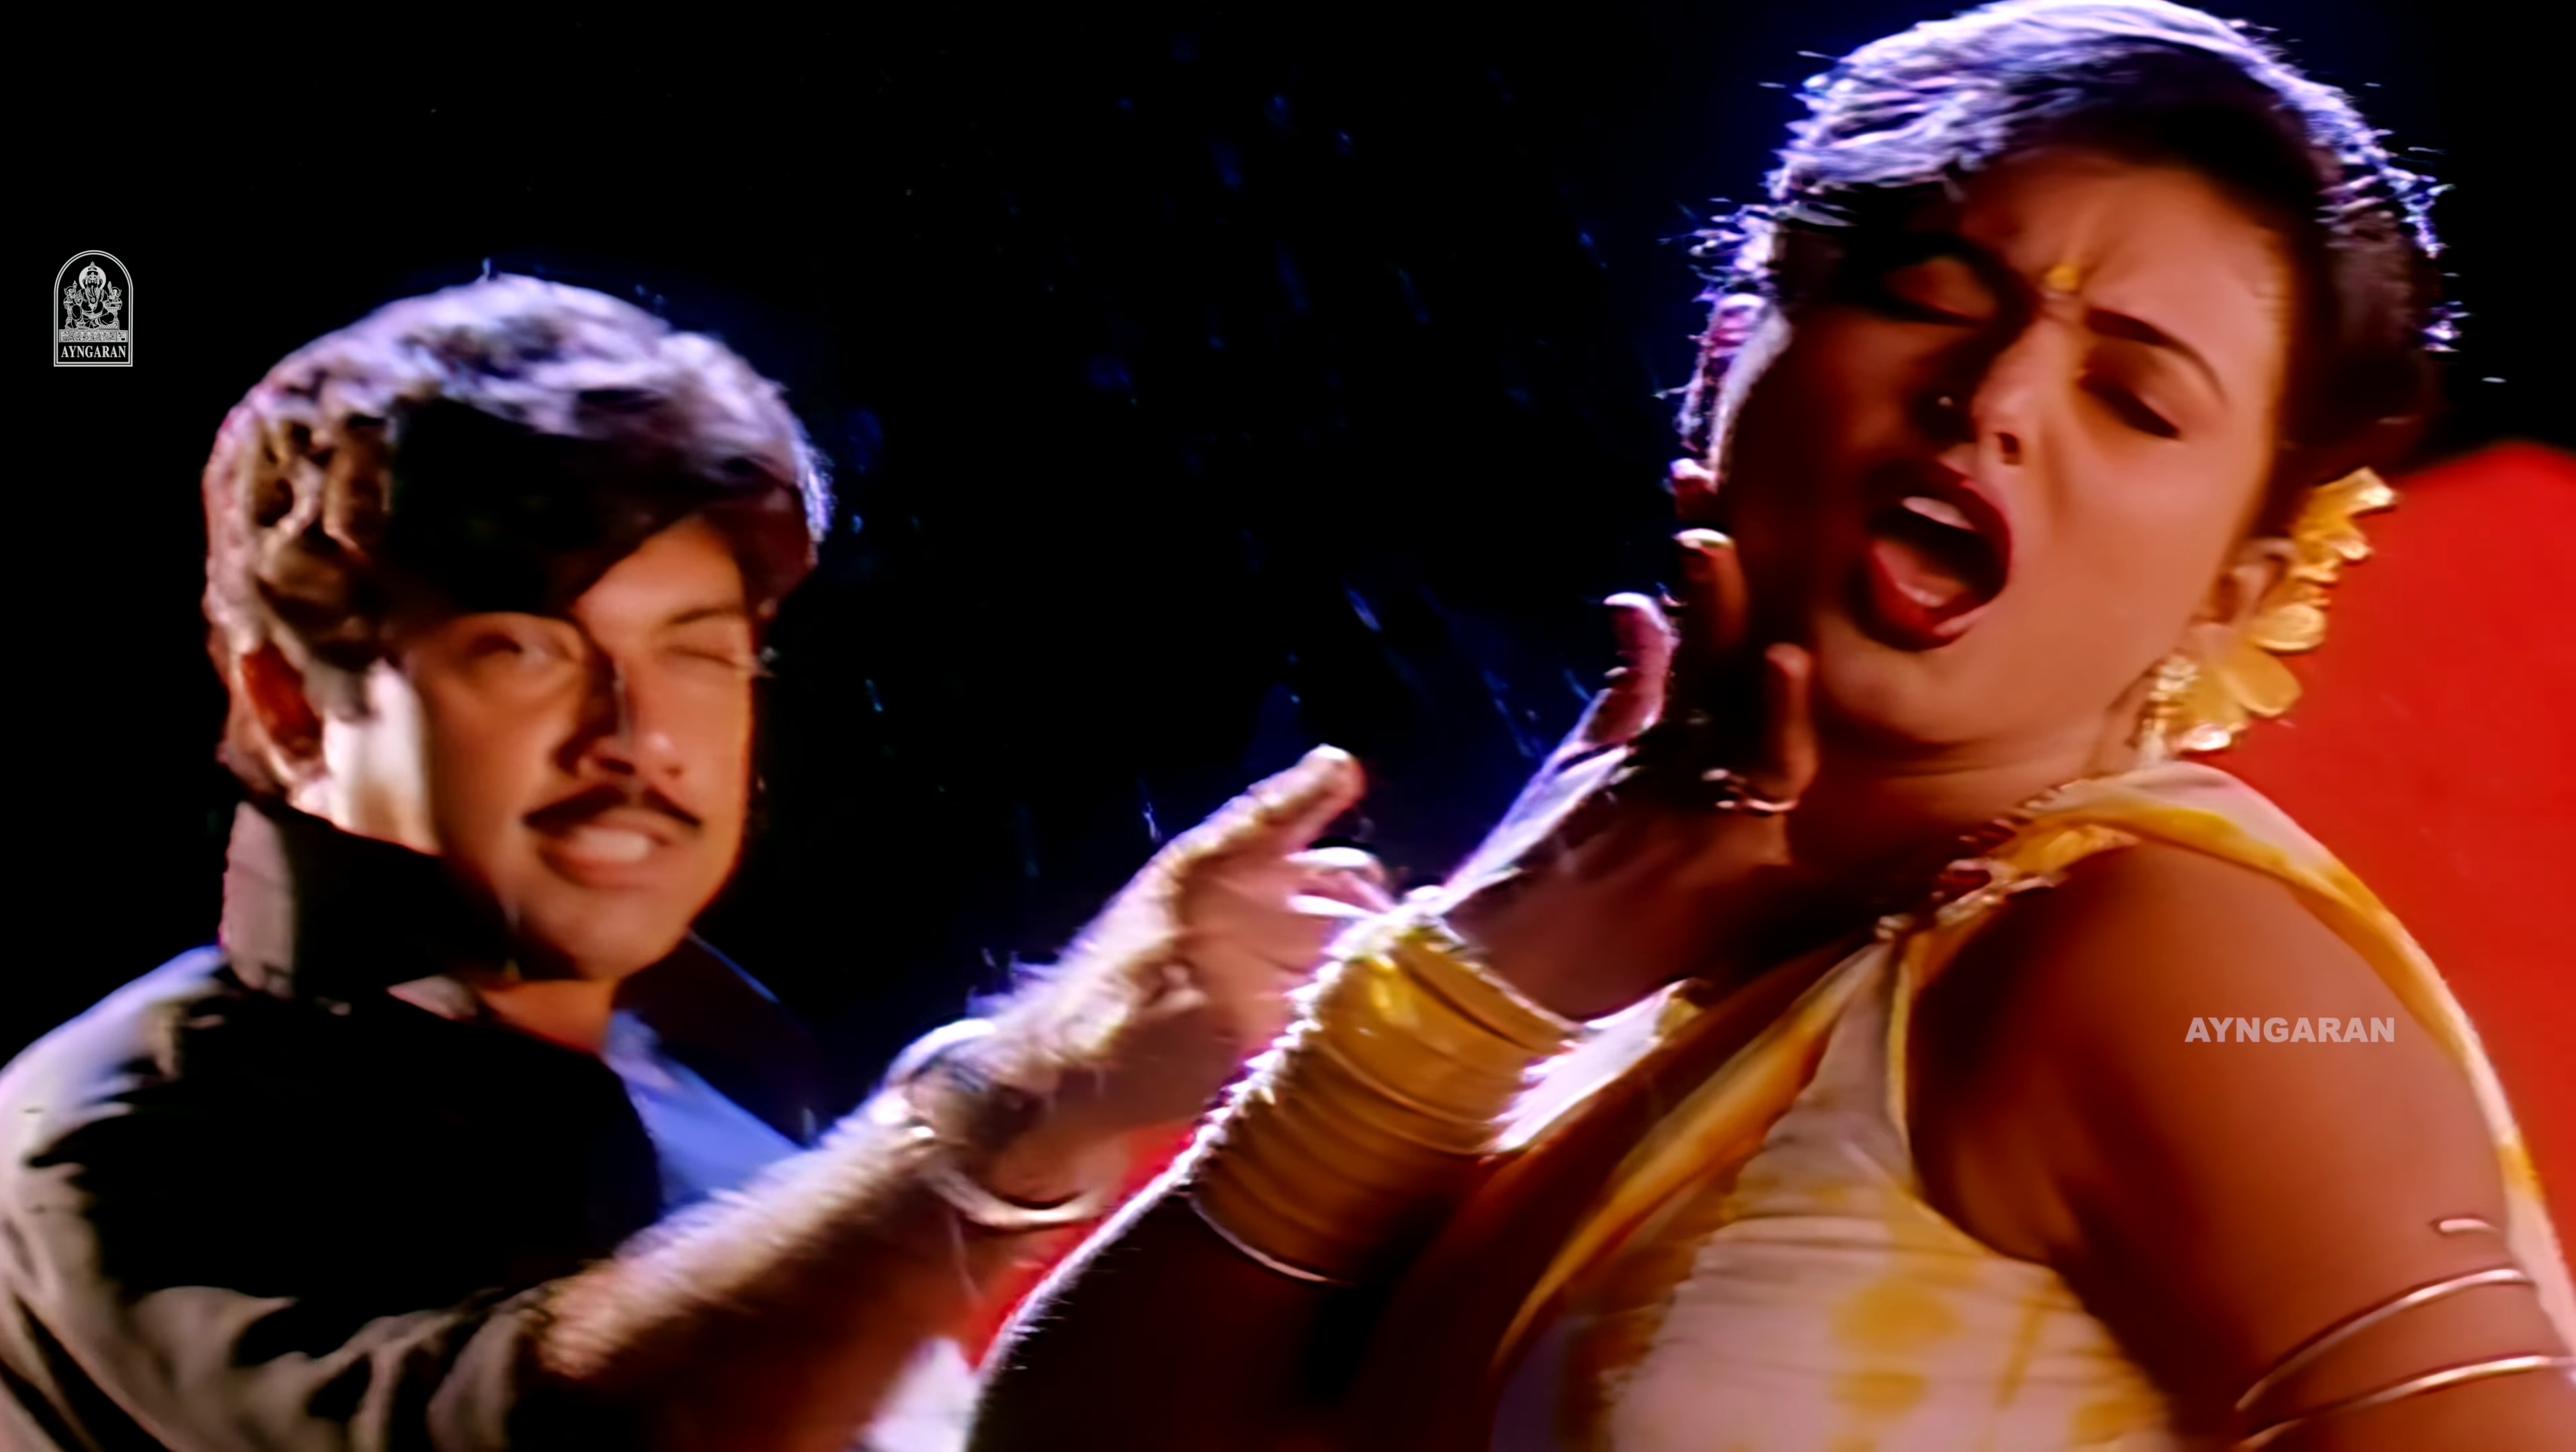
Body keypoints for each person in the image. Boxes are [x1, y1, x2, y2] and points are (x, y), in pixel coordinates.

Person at [969, 3, 2576, 1447]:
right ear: (1728, 356)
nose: (1996, 399)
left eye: (2135, 399)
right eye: (1930, 295)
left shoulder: (2173, 963)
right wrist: (1482, 976)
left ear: (2237, 592)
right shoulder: (1606, 971)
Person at [0, 277, 1390, 1452]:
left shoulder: (717, 1067)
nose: (635, 736)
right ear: (292, 704)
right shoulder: (113, 1135)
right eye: (525, 649)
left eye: (698, 650)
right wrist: (1029, 1089)